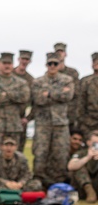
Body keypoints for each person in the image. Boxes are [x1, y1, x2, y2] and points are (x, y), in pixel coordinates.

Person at [30, 52, 75, 187]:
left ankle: (59, 183)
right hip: (43, 124)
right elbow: (38, 99)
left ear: (60, 65)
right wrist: (58, 94)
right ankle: (39, 182)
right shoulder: (38, 82)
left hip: (60, 123)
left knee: (60, 153)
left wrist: (49, 94)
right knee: (41, 153)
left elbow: (68, 96)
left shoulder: (67, 80)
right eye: (50, 64)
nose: (53, 66)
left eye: (55, 63)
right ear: (46, 65)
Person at [0, 52, 30, 162]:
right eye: (4, 63)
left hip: (13, 126)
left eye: (9, 63)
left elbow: (24, 97)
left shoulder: (21, 82)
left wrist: (5, 94)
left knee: (14, 156)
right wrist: (14, 95)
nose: (7, 66)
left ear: (13, 65)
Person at [68, 130, 98, 203]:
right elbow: (70, 166)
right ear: (88, 142)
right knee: (78, 166)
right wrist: (88, 157)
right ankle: (90, 191)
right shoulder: (81, 153)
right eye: (95, 143)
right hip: (82, 188)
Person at [13, 50, 34, 150]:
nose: (24, 61)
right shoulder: (9, 74)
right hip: (4, 119)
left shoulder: (31, 80)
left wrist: (28, 118)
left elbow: (35, 102)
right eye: (23, 59)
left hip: (21, 120)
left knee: (19, 149)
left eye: (27, 59)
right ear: (18, 59)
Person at [77, 52, 98, 136]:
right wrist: (84, 122)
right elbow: (80, 104)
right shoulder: (85, 81)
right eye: (94, 61)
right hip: (89, 123)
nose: (96, 64)